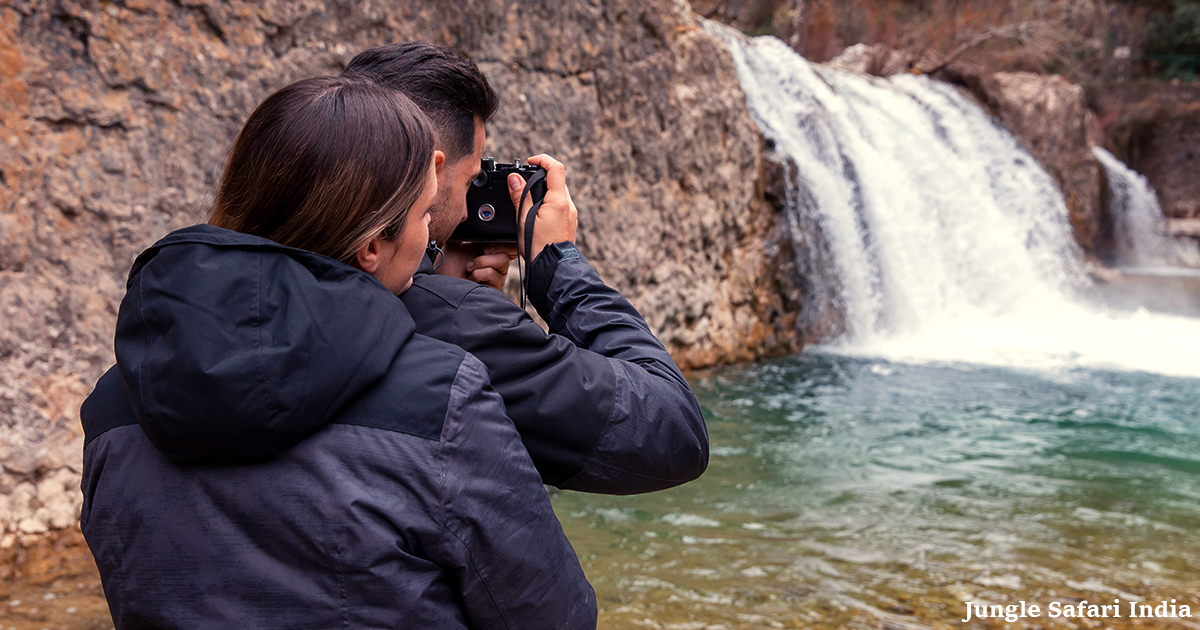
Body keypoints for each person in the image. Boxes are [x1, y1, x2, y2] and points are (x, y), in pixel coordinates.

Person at [79, 75, 595, 629]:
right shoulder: (443, 396)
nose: (432, 238)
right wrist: (558, 268)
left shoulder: (116, 401)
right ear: (372, 245)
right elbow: (553, 616)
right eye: (426, 217)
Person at [343, 43, 709, 493]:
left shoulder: (261, 283)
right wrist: (559, 266)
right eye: (472, 180)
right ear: (429, 172)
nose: (465, 208)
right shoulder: (458, 325)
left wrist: (429, 273)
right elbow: (675, 431)